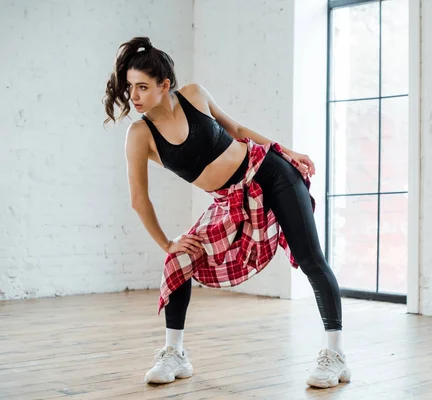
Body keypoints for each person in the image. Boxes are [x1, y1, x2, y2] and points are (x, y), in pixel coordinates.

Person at [103, 37, 351, 389]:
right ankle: (174, 354)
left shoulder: (193, 95)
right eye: (130, 88)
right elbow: (139, 199)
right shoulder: (140, 134)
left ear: (164, 86)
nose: (135, 96)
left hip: (270, 172)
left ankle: (335, 356)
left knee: (311, 259)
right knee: (178, 261)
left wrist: (289, 153)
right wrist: (167, 243)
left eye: (142, 87)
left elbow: (237, 130)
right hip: (232, 200)